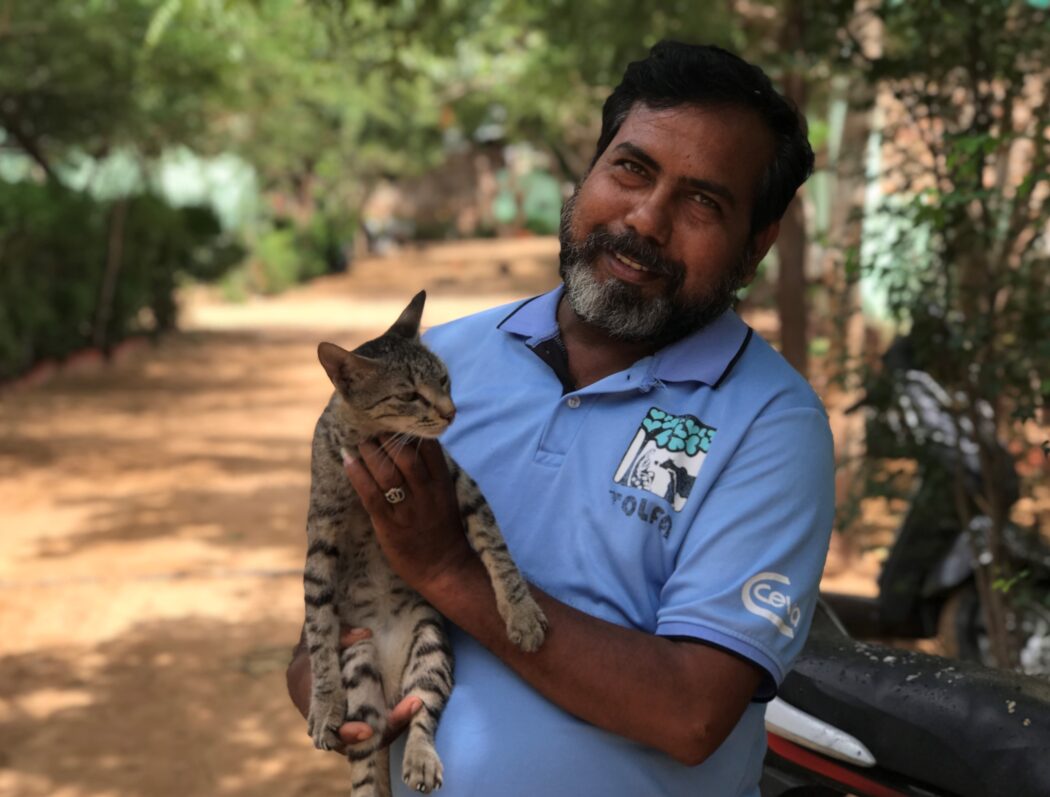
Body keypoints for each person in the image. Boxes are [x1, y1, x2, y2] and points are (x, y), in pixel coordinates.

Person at [287, 40, 834, 796]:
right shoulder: (434, 365)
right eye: (631, 169)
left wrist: (449, 568)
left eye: (703, 201)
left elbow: (691, 712)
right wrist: (343, 692)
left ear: (756, 248)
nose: (646, 219)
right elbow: (328, 612)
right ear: (588, 174)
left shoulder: (772, 425)